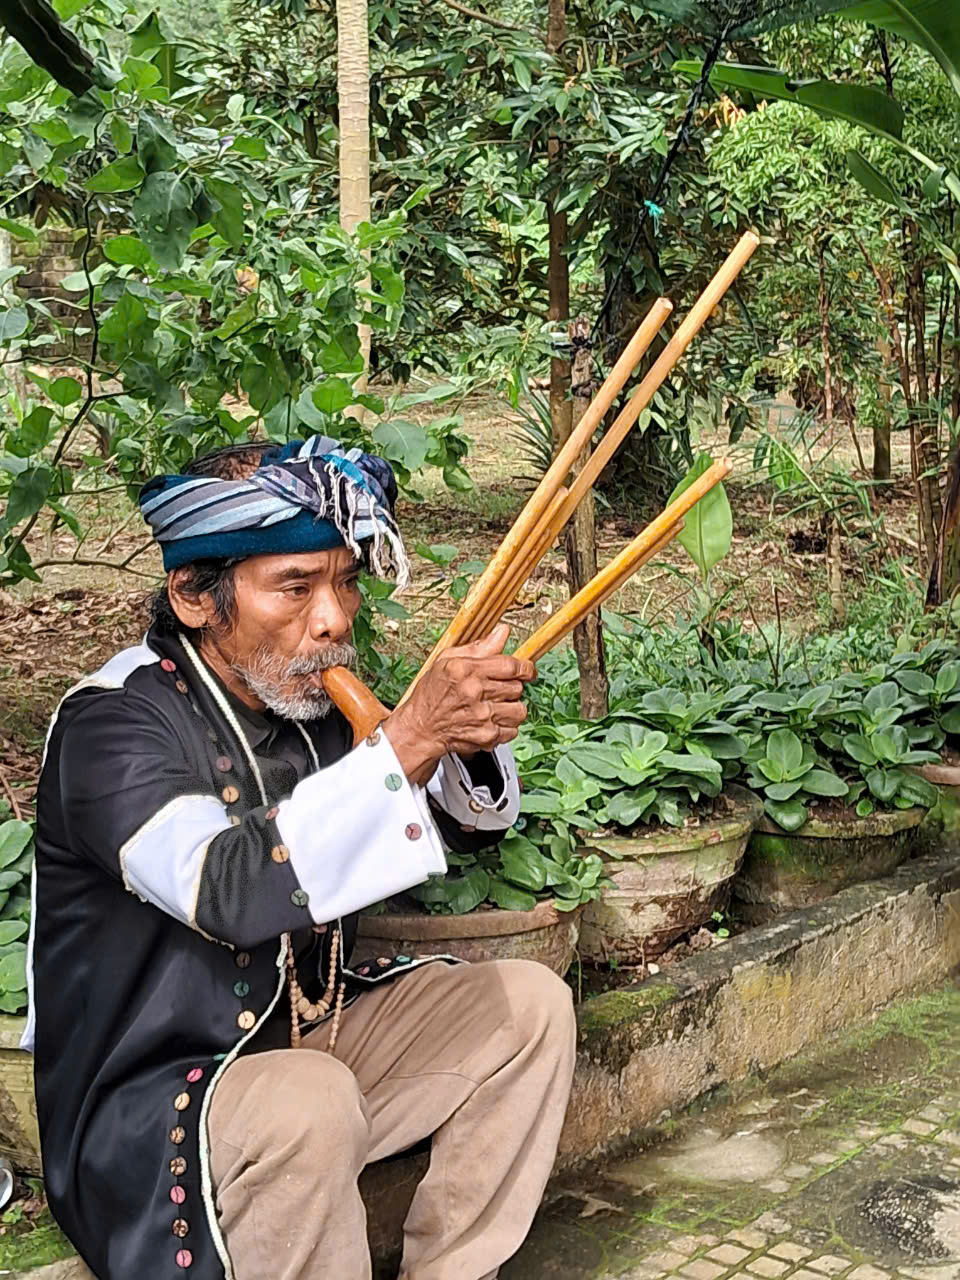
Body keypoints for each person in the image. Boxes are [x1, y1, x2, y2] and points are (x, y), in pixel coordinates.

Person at [26, 436, 577, 1280]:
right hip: (155, 1095)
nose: (334, 619)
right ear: (194, 595)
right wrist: (408, 740)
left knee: (530, 1009)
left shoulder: (302, 691)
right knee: (309, 1104)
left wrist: (459, 741)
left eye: (345, 581)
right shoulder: (111, 724)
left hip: (310, 1030)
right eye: (295, 587)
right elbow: (226, 889)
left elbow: (460, 827)